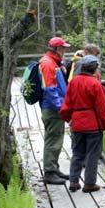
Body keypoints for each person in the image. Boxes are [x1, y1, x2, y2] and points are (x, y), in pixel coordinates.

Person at [60, 55, 105, 193]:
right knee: (92, 155)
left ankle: (73, 181)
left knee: (77, 153)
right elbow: (103, 108)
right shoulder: (95, 84)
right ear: (94, 68)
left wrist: (69, 119)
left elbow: (65, 106)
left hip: (77, 124)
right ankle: (89, 184)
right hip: (93, 125)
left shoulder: (73, 82)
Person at [39, 37, 70, 185]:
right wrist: (61, 108)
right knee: (53, 140)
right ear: (56, 49)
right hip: (52, 109)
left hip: (55, 108)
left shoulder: (54, 62)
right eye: (63, 48)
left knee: (57, 139)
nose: (64, 51)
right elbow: (50, 90)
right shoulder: (47, 63)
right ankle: (49, 173)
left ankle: (54, 168)